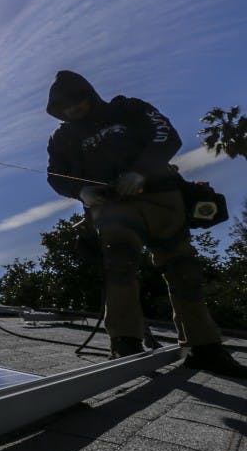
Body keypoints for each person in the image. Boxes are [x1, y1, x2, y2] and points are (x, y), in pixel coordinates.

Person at [45, 70, 247, 377]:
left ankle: (204, 347)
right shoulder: (63, 138)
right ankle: (125, 343)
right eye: (62, 106)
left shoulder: (128, 109)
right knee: (119, 262)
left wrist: (140, 171)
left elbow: (166, 135)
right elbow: (56, 175)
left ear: (88, 93)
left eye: (75, 99)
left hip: (162, 199)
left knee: (183, 268)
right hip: (113, 209)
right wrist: (81, 191)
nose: (70, 108)